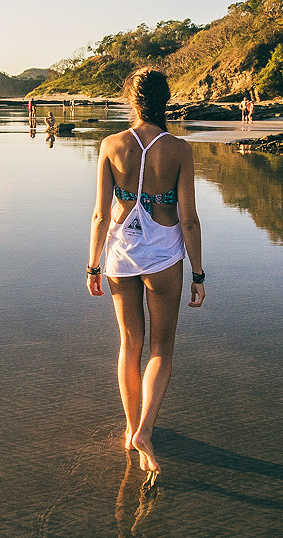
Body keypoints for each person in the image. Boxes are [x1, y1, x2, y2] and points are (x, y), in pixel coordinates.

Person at [87, 67, 205, 474]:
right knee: (162, 350)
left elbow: (102, 214)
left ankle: (128, 427)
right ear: (165, 99)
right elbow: (189, 220)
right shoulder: (178, 150)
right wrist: (199, 274)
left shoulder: (111, 144)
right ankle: (145, 431)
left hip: (120, 255)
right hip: (164, 258)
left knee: (129, 345)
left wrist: (93, 265)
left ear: (131, 100)